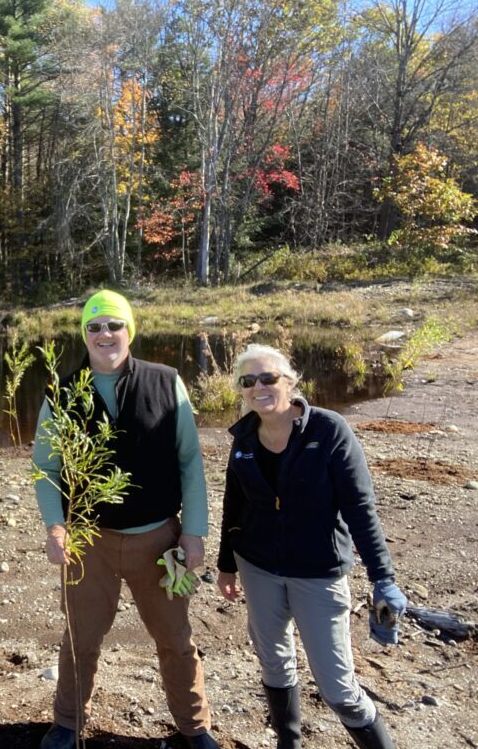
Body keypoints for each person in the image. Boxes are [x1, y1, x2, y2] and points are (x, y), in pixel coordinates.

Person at [33, 289, 219, 749]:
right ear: (84, 335)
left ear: (129, 330)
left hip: (158, 539)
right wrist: (56, 527)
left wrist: (193, 531)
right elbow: (47, 468)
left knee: (175, 637)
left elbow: (189, 461)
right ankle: (68, 721)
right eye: (94, 326)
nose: (105, 334)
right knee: (81, 636)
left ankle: (194, 726)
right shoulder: (62, 391)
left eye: (114, 325)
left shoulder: (165, 381)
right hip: (88, 541)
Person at [217, 343, 406, 749]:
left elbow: (359, 507)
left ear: (290, 382)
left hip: (318, 573)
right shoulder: (244, 437)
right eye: (248, 381)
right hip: (259, 567)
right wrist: (226, 565)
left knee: (338, 687)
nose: (258, 387)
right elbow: (234, 503)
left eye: (268, 378)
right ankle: (290, 742)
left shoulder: (329, 429)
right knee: (274, 661)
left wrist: (383, 578)